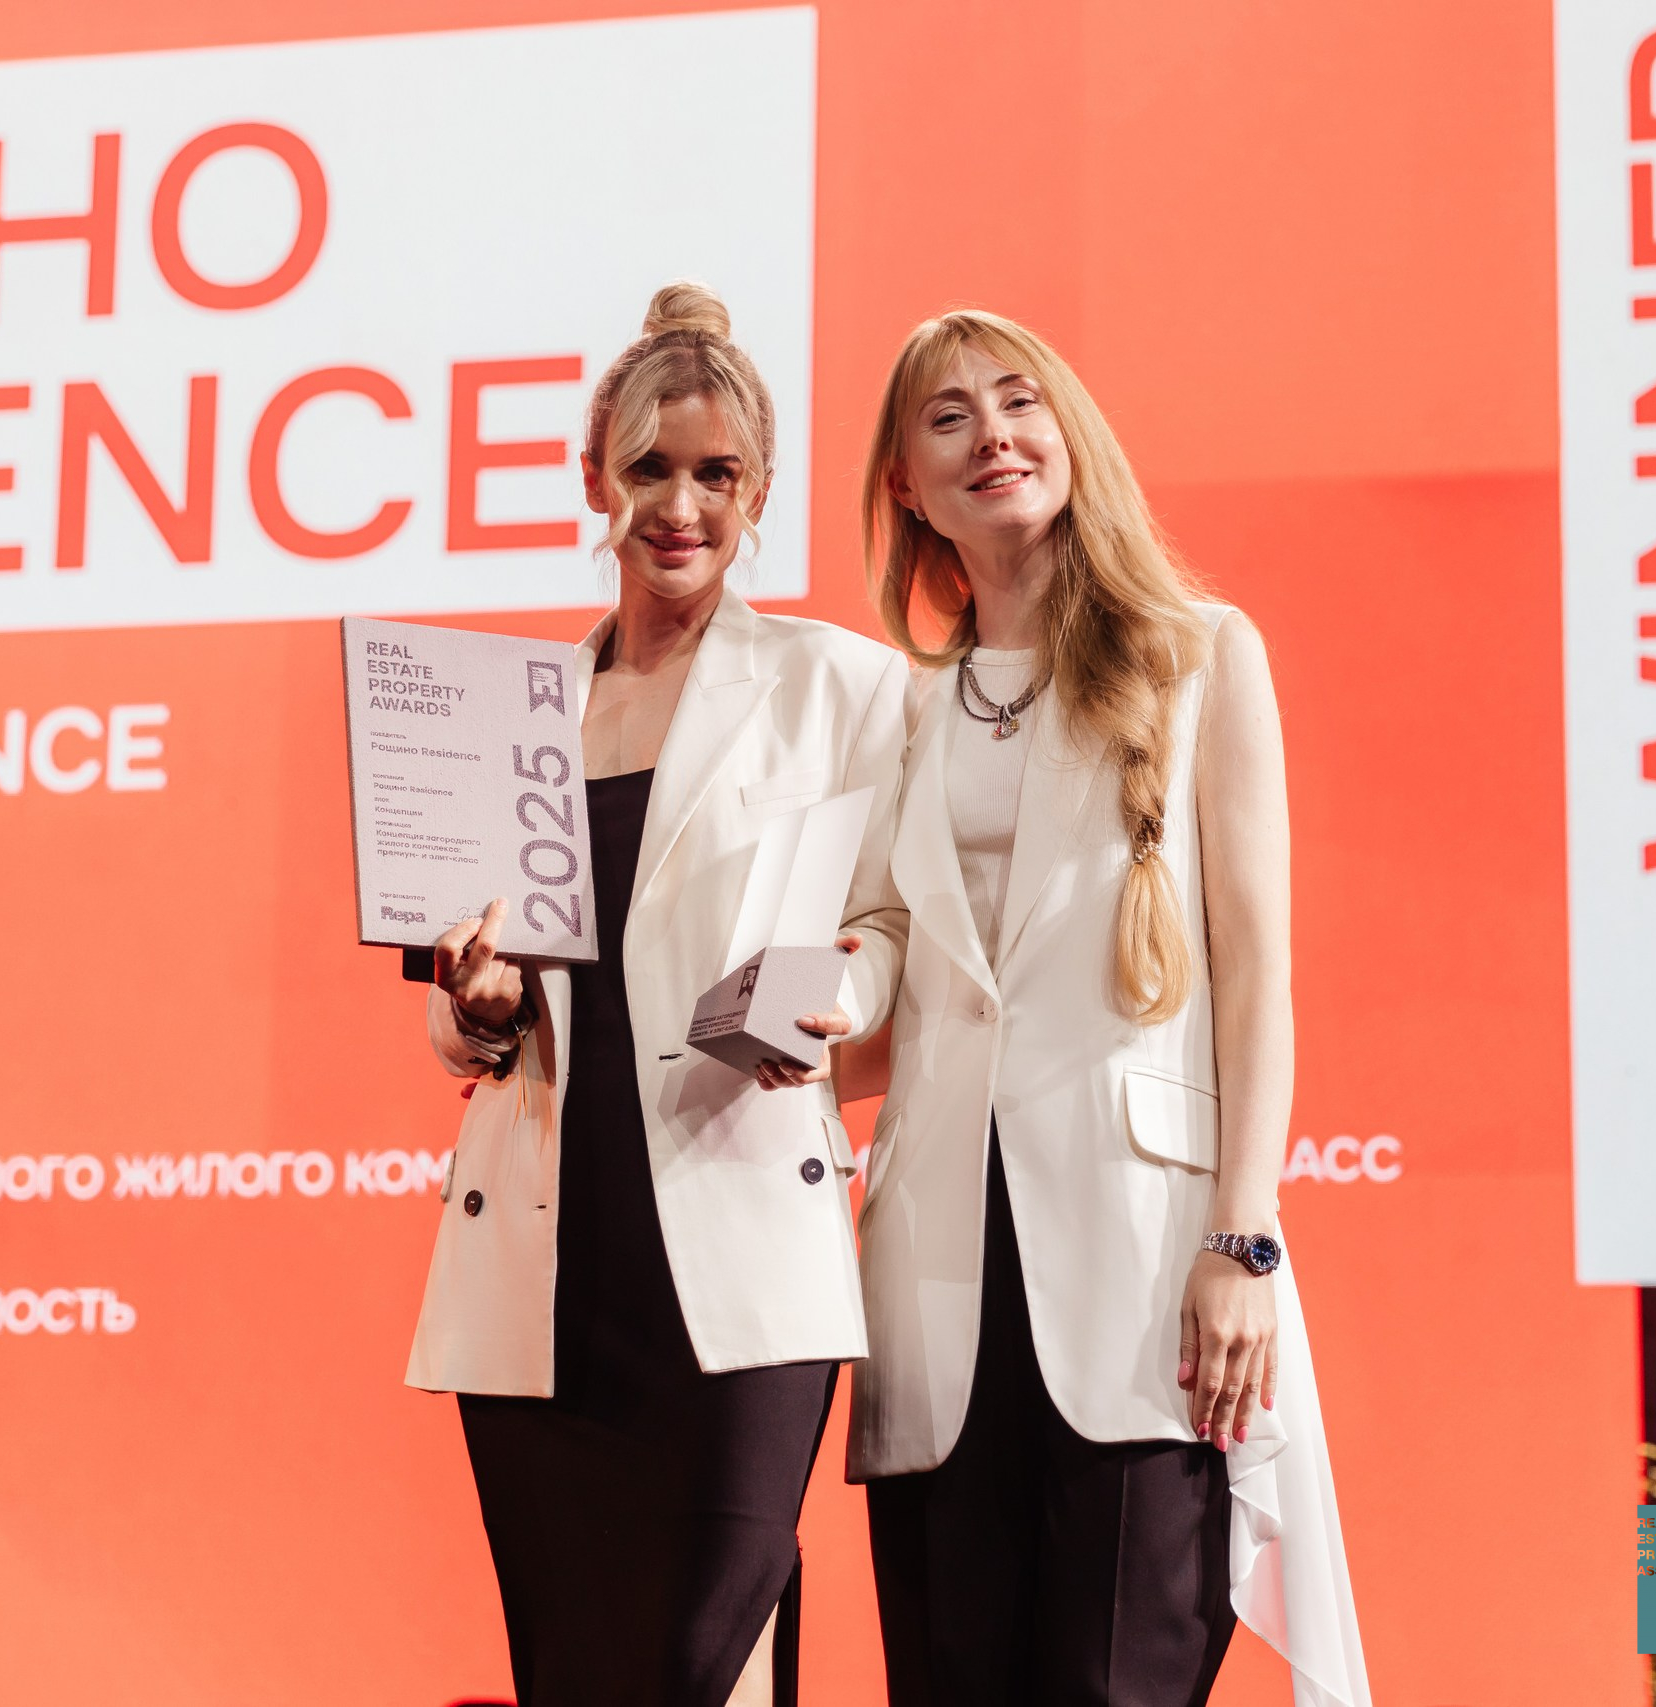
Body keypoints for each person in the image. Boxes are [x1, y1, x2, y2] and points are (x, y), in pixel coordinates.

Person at [848, 310, 1373, 1707]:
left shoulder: (1202, 656)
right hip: (933, 1283)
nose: (993, 436)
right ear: (907, 484)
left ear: (1069, 433)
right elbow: (886, 988)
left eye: (1020, 401)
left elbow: (1255, 975)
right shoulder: (898, 707)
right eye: (948, 416)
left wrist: (1243, 1238)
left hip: (1151, 1269)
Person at [404, 282, 909, 1707]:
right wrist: (477, 1006)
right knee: (579, 1671)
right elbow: (468, 999)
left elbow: (896, 934)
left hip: (735, 1245)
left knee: (704, 1650)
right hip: (549, 1263)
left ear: (759, 491)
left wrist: (820, 991)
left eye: (716, 475)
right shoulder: (517, 711)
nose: (680, 508)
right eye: (648, 469)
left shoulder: (842, 686)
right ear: (593, 478)